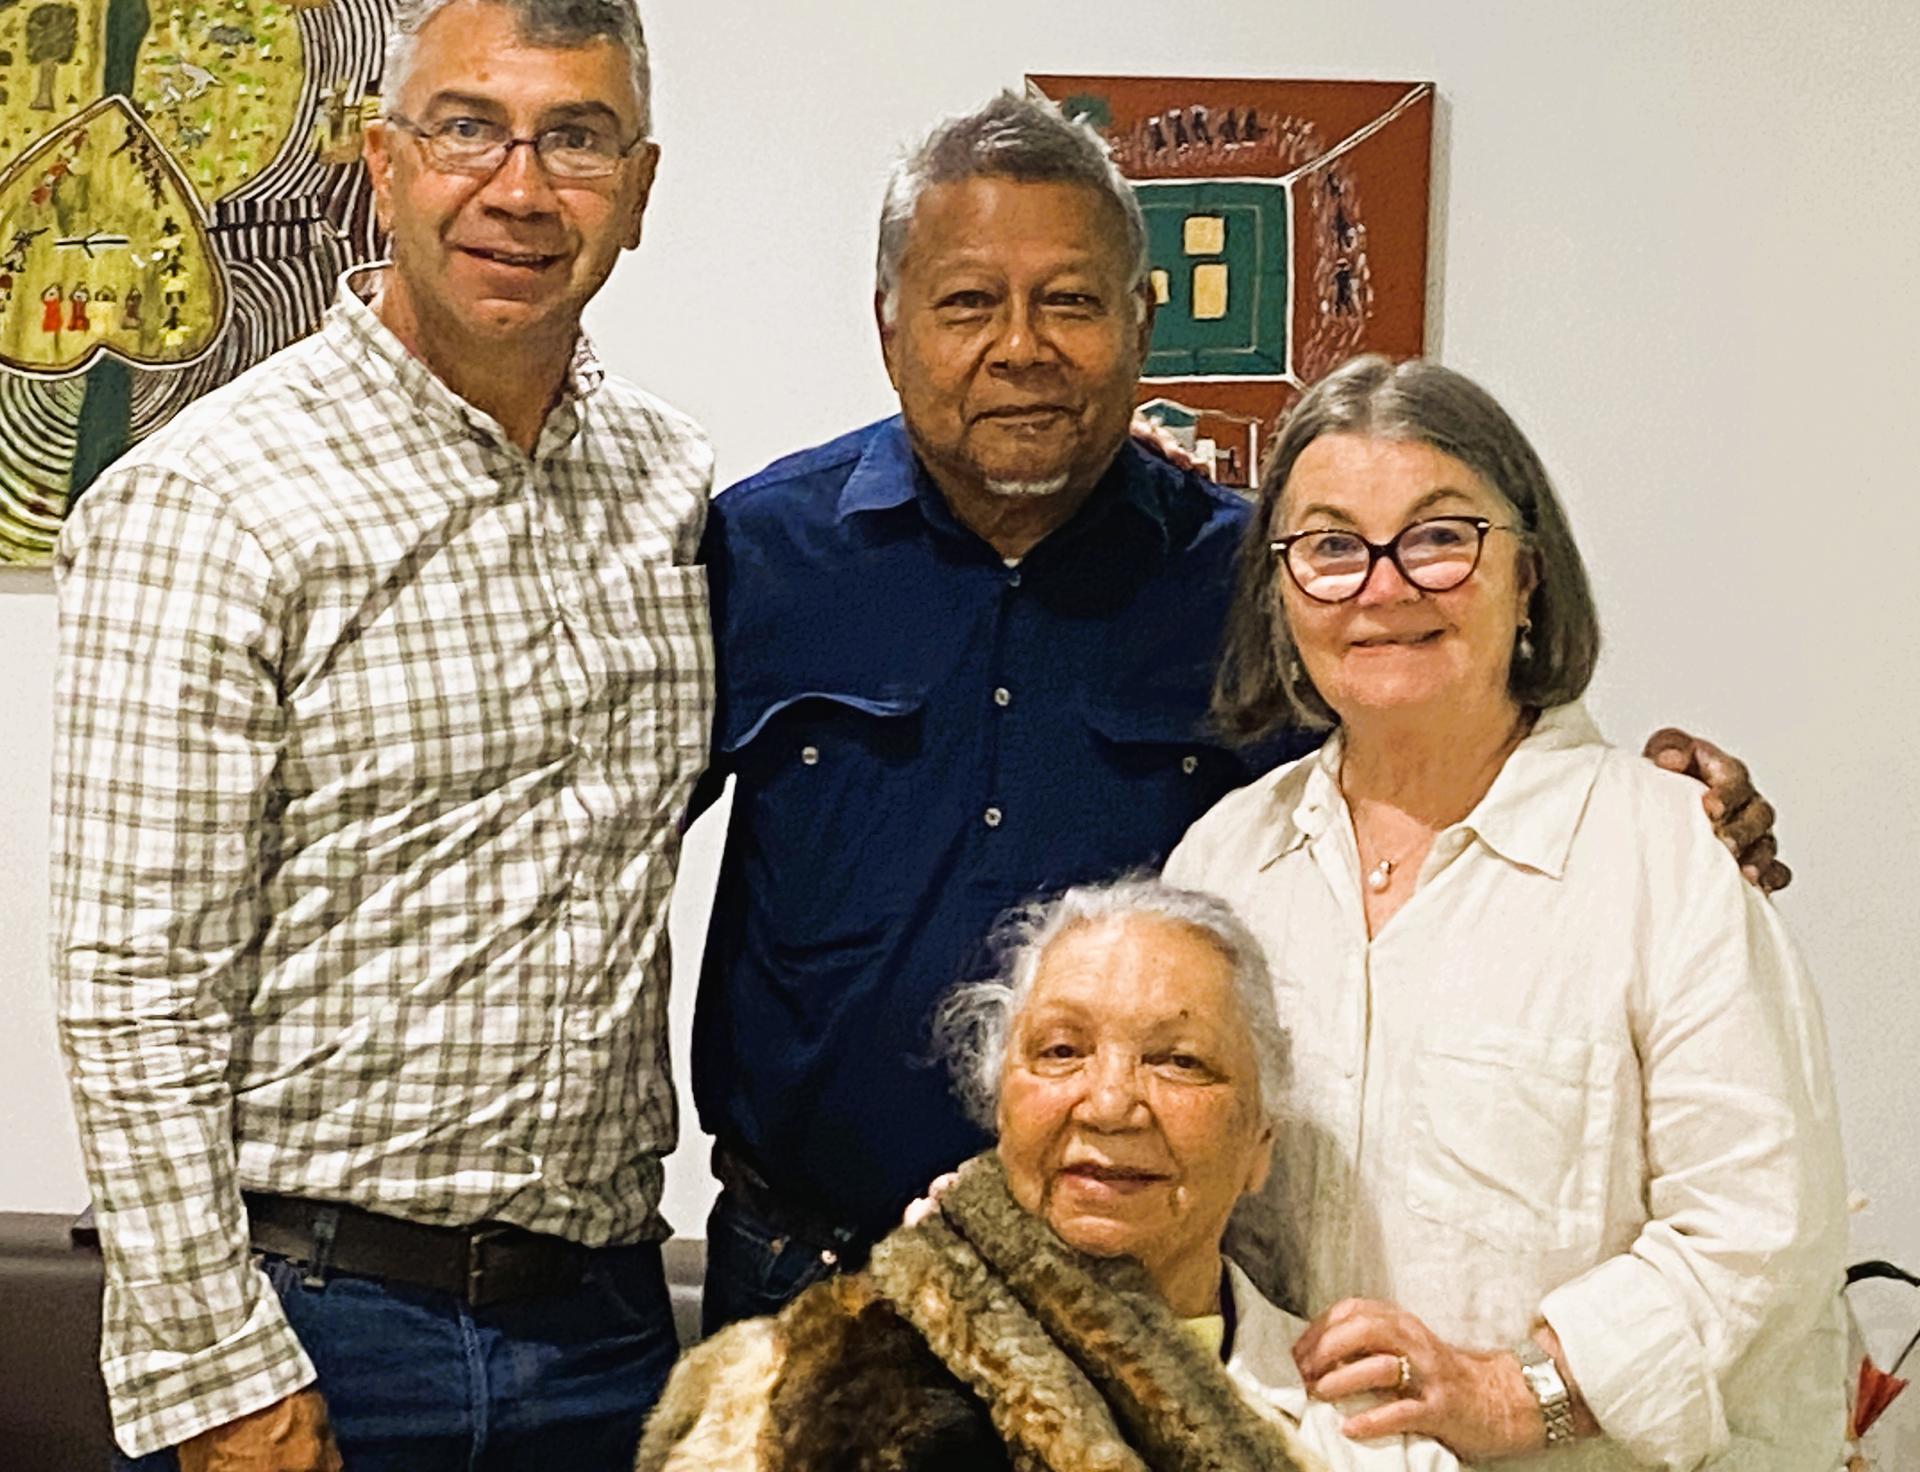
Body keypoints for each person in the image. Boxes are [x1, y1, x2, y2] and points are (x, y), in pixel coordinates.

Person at [691, 91, 1786, 1332]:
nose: (1021, 344)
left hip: (1127, 1294)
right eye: (967, 303)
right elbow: (609, 834)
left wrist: (1669, 808)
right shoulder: (760, 555)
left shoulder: (1252, 578)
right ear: (890, 329)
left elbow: (1434, 744)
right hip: (808, 1268)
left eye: (1071, 300)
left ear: (1142, 321)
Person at [50, 0, 710, 1466]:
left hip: (608, 1328)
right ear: (381, 164)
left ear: (641, 192)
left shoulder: (673, 483)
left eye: (578, 140)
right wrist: (216, 1371)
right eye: (469, 127)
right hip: (320, 1327)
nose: (521, 188)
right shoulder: (209, 502)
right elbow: (132, 988)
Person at [1163, 354, 1848, 1469]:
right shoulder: (1224, 867)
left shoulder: (1667, 855)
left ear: (1528, 571)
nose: (1384, 586)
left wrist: (1521, 1394)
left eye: (1440, 535)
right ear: (1281, 592)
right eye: (1331, 546)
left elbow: (1762, 1232)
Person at [639, 877, 1460, 1471]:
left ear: (1260, 1147)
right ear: (1002, 1106)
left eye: (1178, 1061)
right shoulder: (806, 1387)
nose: (1109, 1104)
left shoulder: (1368, 1440)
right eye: (1062, 1051)